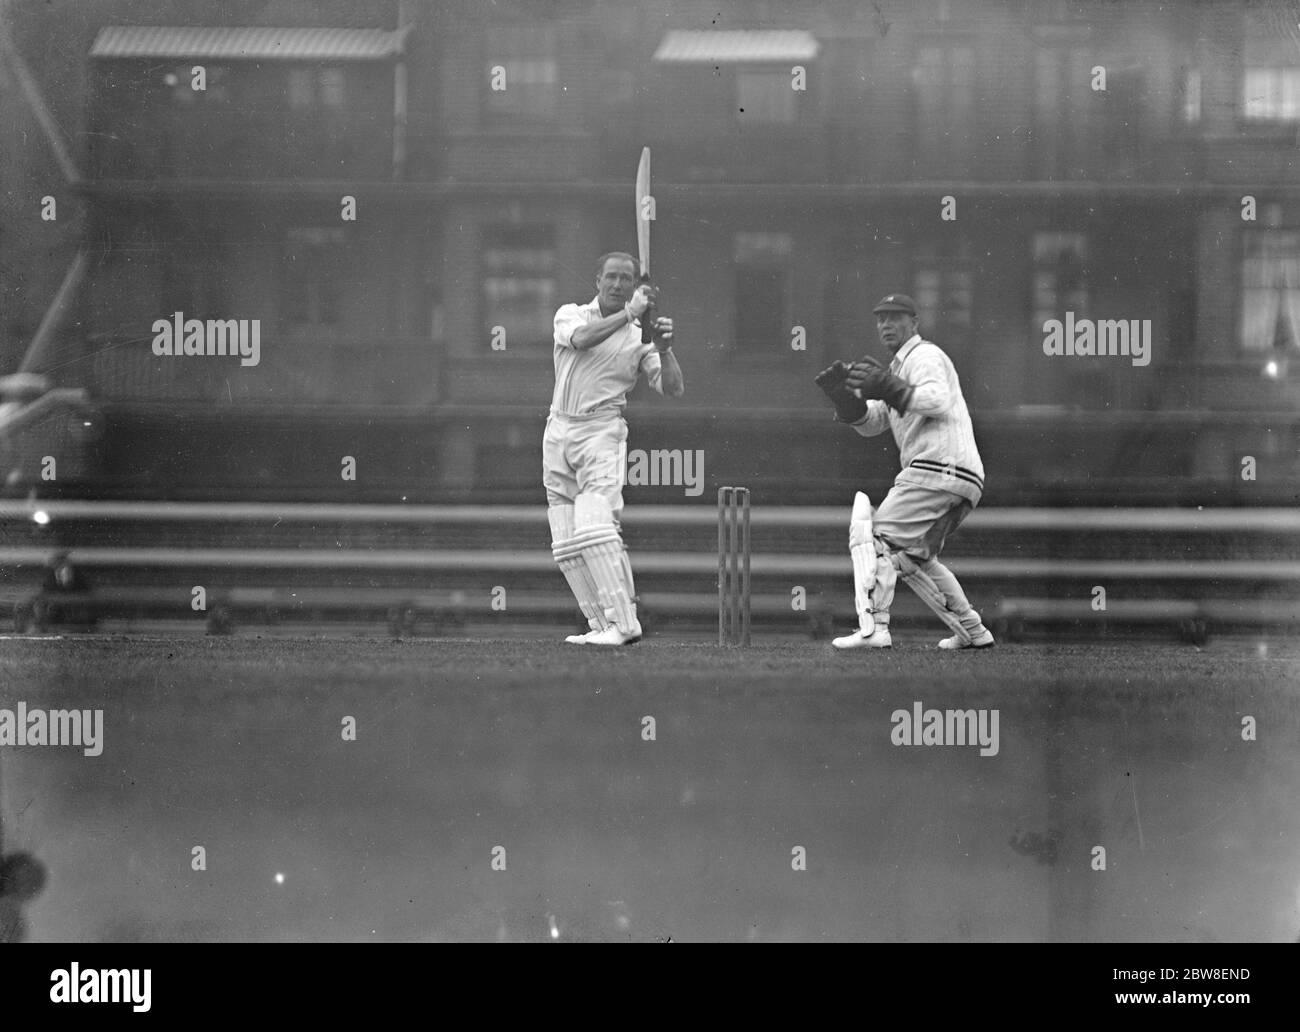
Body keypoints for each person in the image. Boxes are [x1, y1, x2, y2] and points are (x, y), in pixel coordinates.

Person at [814, 293, 994, 650]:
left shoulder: (924, 356)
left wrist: (886, 385)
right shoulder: (897, 370)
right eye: (881, 319)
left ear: (914, 323)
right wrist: (845, 401)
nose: (886, 325)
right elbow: (874, 422)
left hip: (938, 467)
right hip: (961, 477)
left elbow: (936, 400)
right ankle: (973, 632)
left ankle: (874, 628)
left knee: (872, 538)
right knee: (911, 558)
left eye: (895, 318)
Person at [545, 252, 684, 645]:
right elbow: (582, 341)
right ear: (598, 280)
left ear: (635, 286)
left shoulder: (640, 336)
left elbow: (672, 387)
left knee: (597, 525)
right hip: (558, 428)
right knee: (566, 540)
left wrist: (665, 348)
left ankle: (624, 623)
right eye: (611, 277)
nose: (618, 284)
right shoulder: (571, 315)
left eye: (626, 278)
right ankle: (600, 625)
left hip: (601, 431)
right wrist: (629, 314)